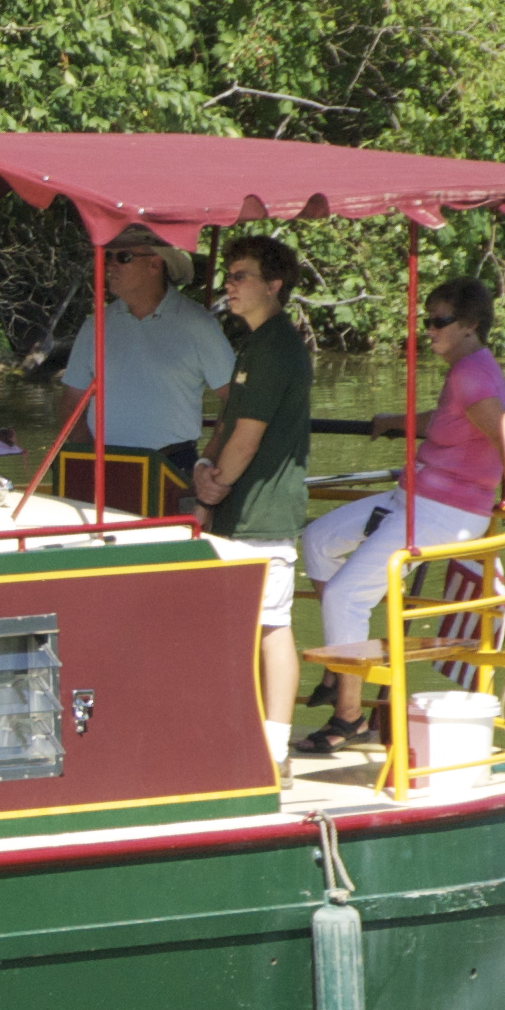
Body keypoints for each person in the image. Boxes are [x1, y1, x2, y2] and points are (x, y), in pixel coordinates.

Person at [296, 272, 505, 755]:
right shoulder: (469, 370)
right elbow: (453, 421)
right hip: (414, 495)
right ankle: (340, 667)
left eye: (439, 321)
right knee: (318, 541)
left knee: (347, 597)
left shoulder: (472, 372)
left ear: (471, 325)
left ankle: (348, 715)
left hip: (443, 510)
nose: (428, 330)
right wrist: (396, 423)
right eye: (426, 320)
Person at [188, 237, 313, 769]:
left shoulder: (277, 347)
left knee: (271, 623)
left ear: (274, 285)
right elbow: (229, 423)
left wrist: (214, 483)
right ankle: (236, 731)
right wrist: (204, 474)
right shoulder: (253, 346)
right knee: (241, 622)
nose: (229, 286)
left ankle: (275, 748)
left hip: (262, 509)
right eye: (229, 276)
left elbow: (250, 435)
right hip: (237, 507)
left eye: (241, 276)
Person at [58, 228, 236, 489]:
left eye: (123, 257)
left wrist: (208, 459)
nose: (110, 265)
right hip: (103, 466)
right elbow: (71, 403)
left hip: (173, 468)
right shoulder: (95, 325)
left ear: (154, 264)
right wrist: (90, 458)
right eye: (108, 256)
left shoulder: (198, 324)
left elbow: (235, 398)